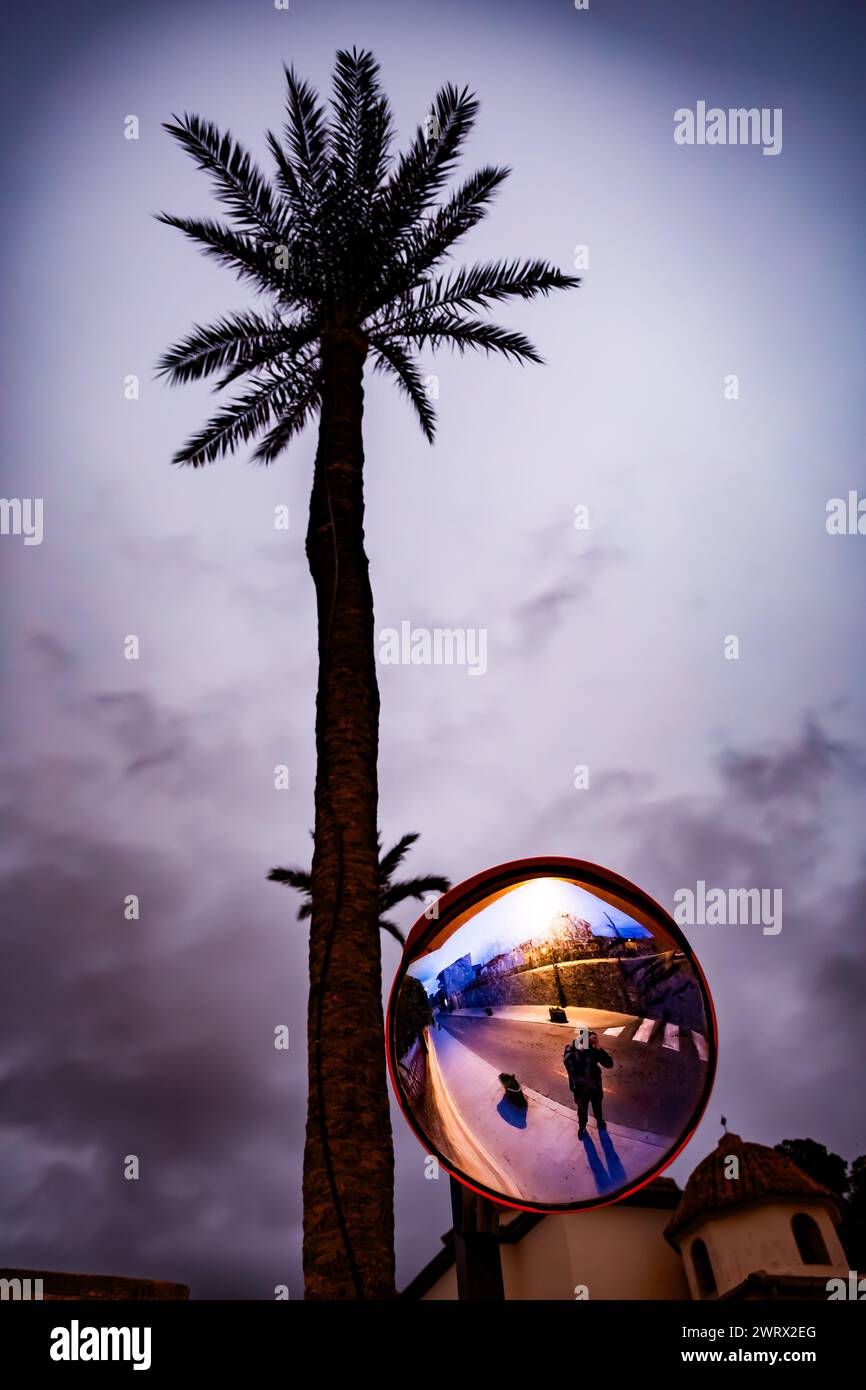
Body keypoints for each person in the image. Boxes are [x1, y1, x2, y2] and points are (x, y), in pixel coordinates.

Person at [563, 1029, 614, 1138]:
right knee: (582, 1112)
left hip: (594, 1088)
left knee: (597, 1109)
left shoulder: (593, 1051)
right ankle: (582, 1127)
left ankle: (599, 1121)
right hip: (580, 1090)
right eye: (581, 1041)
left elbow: (609, 1064)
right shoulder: (570, 1052)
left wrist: (598, 1047)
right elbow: (568, 1063)